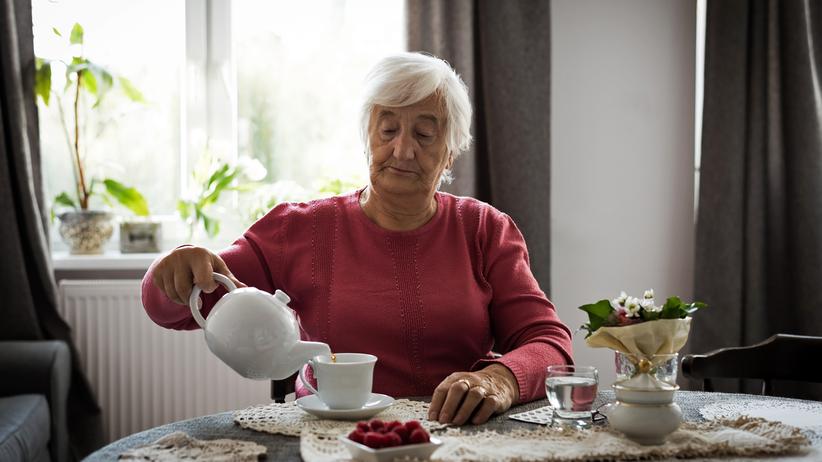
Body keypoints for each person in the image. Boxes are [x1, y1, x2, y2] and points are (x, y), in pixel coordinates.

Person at [142, 52, 573, 426]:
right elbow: (175, 310)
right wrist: (177, 267)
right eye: (388, 130)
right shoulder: (300, 229)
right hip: (332, 437)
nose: (403, 150)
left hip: (457, 437)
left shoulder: (484, 229)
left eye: (425, 134)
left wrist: (499, 380)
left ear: (451, 150)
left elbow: (550, 343)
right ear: (366, 136)